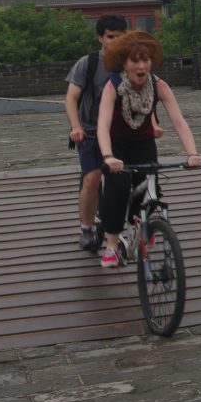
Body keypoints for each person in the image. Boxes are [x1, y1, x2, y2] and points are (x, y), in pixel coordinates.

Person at [96, 31, 201, 269]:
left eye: (145, 60)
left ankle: (142, 223)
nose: (141, 66)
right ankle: (111, 245)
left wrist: (192, 153)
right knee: (118, 187)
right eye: (135, 61)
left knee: (151, 189)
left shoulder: (158, 85)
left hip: (143, 144)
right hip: (115, 145)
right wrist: (108, 156)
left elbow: (178, 121)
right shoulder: (113, 86)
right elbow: (102, 124)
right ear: (125, 63)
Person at [64, 14, 128, 250]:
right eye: (111, 37)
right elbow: (71, 98)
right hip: (90, 130)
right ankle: (87, 228)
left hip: (120, 130)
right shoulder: (88, 63)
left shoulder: (131, 61)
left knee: (126, 177)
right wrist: (76, 126)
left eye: (121, 37)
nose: (116, 41)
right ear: (101, 38)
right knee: (91, 179)